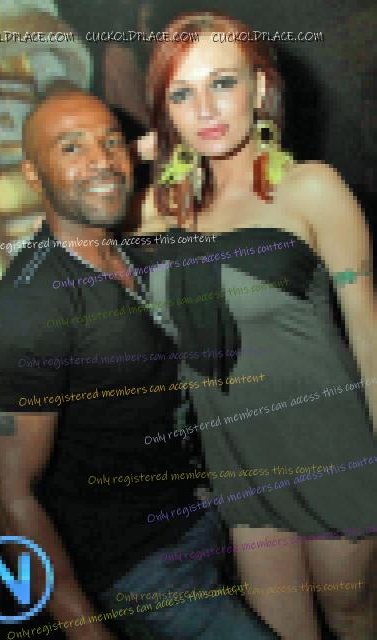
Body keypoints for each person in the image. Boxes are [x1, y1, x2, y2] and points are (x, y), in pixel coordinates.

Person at [0, 86, 277, 640]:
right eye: (71, 147)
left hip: (202, 520)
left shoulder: (130, 255)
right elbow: (7, 498)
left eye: (111, 142)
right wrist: (85, 629)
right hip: (138, 566)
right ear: (33, 176)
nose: (102, 161)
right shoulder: (25, 311)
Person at [134, 11, 377, 640]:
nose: (206, 109)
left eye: (223, 82)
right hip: (239, 465)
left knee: (353, 619)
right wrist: (140, 155)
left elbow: (368, 336)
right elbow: (75, 236)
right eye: (181, 94)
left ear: (260, 86)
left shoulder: (312, 189)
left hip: (330, 451)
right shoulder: (160, 209)